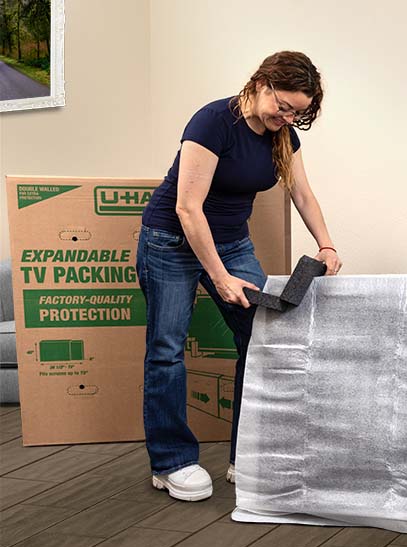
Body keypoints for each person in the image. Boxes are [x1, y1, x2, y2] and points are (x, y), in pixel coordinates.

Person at [136, 51, 341, 501]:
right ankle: (171, 462)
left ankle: (246, 453)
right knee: (167, 348)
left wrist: (326, 244)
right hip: (171, 241)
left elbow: (302, 193)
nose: (287, 117)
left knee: (263, 336)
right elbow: (187, 208)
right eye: (283, 106)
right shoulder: (212, 122)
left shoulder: (282, 135)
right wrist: (221, 278)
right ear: (261, 84)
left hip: (230, 241)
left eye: (297, 113)